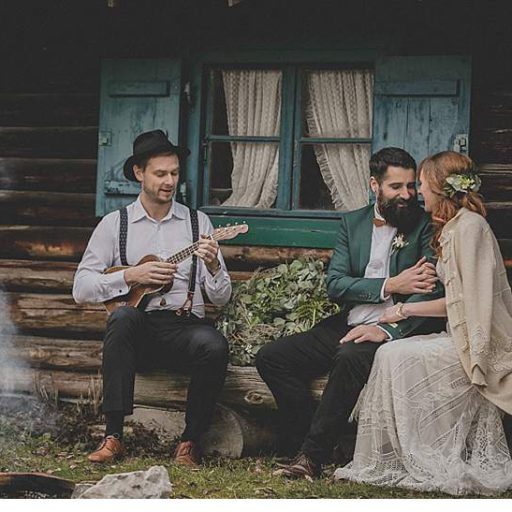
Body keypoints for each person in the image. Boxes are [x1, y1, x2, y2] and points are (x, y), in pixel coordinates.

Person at [256, 147, 445, 478]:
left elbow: (430, 288)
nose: (407, 195)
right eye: (396, 187)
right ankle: (311, 441)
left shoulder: (424, 225)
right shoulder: (353, 222)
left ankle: (311, 459)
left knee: (349, 356)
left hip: (396, 329)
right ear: (375, 185)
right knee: (272, 357)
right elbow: (336, 284)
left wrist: (388, 329)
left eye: (411, 186)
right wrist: (390, 283)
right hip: (350, 321)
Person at [334, 151, 512, 495]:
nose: (418, 193)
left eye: (422, 185)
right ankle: (404, 454)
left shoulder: (470, 227)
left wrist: (404, 312)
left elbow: (469, 303)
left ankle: (427, 454)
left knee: (396, 356)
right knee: (392, 353)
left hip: (477, 340)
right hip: (456, 332)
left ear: (441, 189)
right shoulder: (453, 227)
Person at [73, 129, 232, 466]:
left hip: (183, 328)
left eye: (174, 173)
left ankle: (190, 441)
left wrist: (214, 264)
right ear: (139, 174)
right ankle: (113, 436)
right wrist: (132, 276)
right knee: (122, 317)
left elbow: (223, 295)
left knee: (215, 344)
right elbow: (81, 287)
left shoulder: (197, 222)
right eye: (161, 173)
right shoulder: (115, 224)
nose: (169, 181)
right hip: (138, 333)